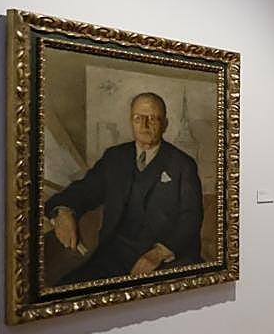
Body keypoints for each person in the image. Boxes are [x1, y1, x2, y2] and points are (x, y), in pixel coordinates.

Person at [45, 92, 203, 285]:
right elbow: (85, 190)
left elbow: (191, 217)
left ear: (165, 124)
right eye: (138, 118)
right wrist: (62, 210)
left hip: (164, 259)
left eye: (152, 118)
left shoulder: (182, 164)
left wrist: (158, 253)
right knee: (66, 290)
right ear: (131, 121)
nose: (144, 125)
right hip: (114, 255)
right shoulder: (115, 158)